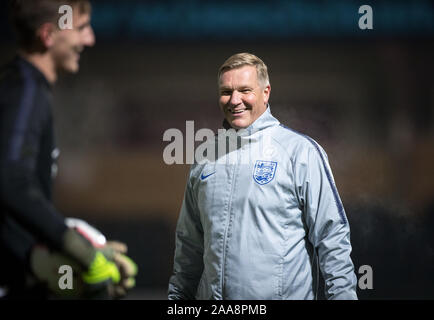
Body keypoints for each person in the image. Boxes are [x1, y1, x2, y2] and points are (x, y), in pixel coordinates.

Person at [168, 53, 357, 300]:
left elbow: (332, 237)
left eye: (244, 90)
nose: (234, 100)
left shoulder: (299, 152)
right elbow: (189, 246)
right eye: (226, 91)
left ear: (266, 92)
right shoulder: (206, 158)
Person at [0, 0, 137, 299]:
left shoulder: (24, 86)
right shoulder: (26, 91)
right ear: (48, 35)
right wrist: (72, 246)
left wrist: (76, 239)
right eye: (81, 28)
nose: (90, 39)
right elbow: (10, 180)